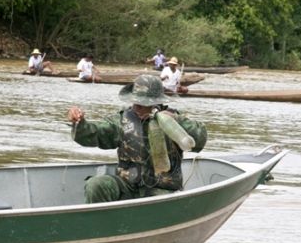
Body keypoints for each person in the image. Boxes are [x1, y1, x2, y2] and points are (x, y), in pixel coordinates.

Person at [67, 74, 207, 203]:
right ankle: (96, 225)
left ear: (155, 104)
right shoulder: (123, 120)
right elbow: (95, 134)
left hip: (162, 190)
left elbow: (200, 140)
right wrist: (79, 123)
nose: (137, 108)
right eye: (135, 104)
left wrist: (177, 122)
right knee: (95, 184)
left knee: (162, 202)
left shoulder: (172, 120)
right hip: (127, 186)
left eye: (142, 106)